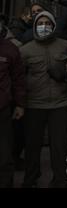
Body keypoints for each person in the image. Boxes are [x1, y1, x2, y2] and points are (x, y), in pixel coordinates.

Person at [20, 11, 67, 188]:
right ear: (35, 26)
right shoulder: (25, 50)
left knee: (60, 146)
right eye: (40, 23)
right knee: (32, 146)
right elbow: (19, 78)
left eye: (47, 23)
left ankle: (61, 180)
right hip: (34, 104)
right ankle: (30, 179)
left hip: (61, 103)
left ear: (53, 26)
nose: (43, 26)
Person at [0, 15, 26, 188]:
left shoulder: (10, 49)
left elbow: (18, 80)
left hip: (2, 110)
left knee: (3, 156)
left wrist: (20, 104)